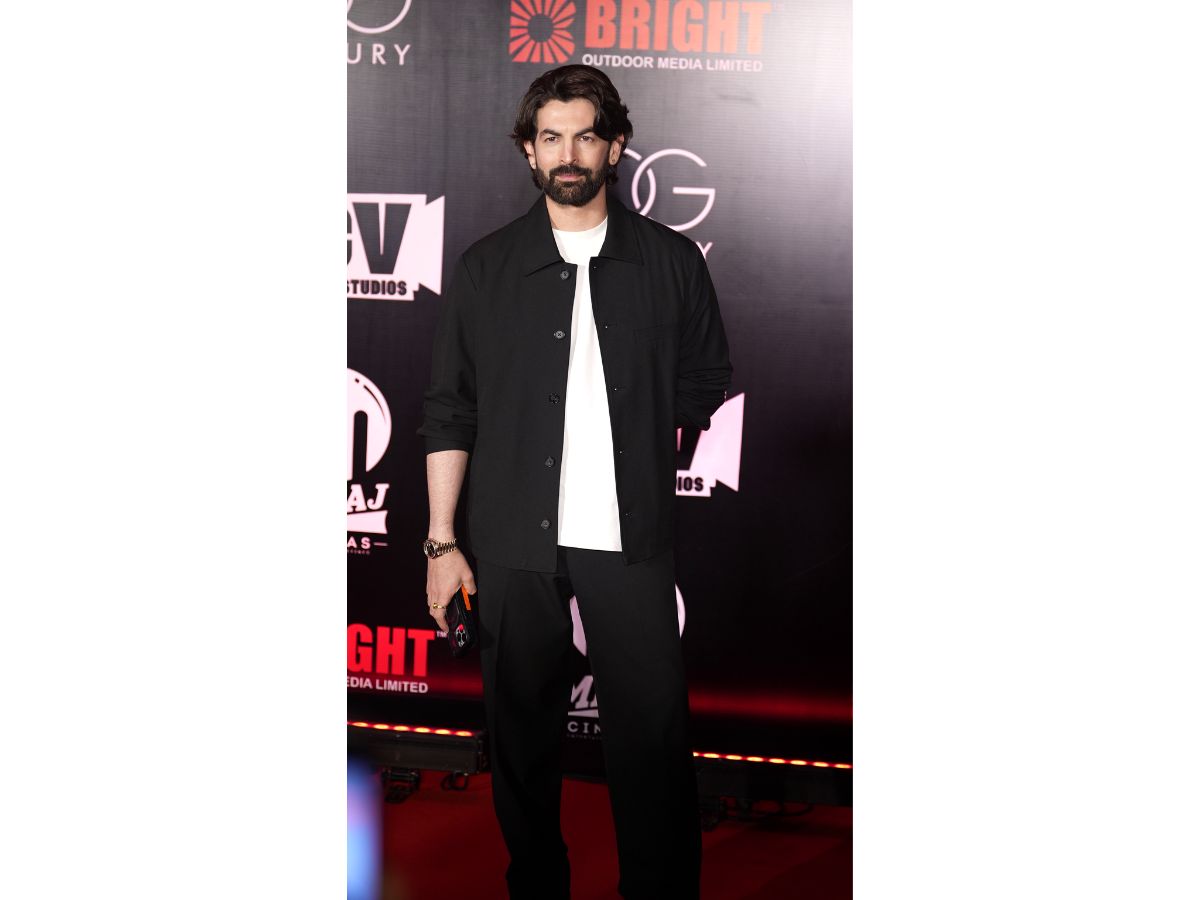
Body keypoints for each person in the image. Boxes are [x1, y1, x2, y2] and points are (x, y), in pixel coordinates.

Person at [418, 64, 732, 900]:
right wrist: (443, 543)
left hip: (629, 538)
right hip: (512, 538)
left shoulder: (671, 262)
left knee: (653, 740)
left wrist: (643, 436)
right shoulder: (486, 268)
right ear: (528, 150)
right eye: (550, 137)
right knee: (520, 739)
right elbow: (450, 411)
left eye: (586, 135)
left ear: (615, 145)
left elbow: (707, 379)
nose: (568, 153)